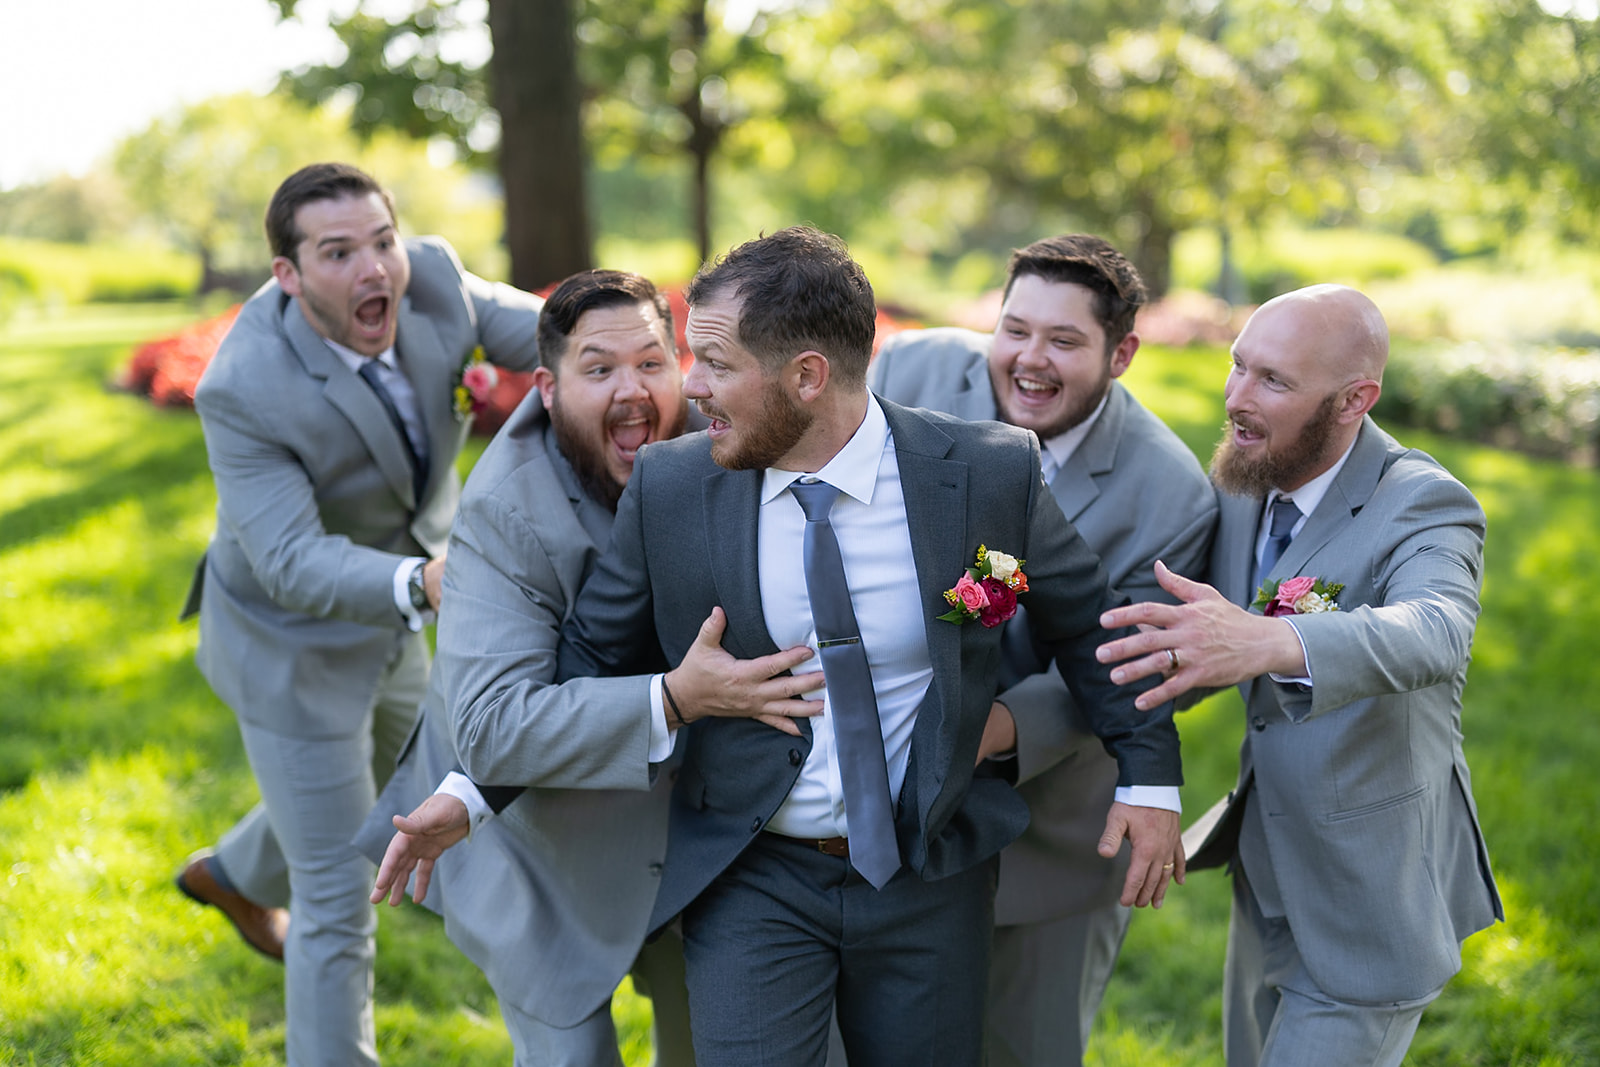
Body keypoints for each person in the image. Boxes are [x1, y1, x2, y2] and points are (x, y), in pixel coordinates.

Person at [549, 226, 1185, 1067]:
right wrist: (673, 696)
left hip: (932, 878)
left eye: (715, 362)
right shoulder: (673, 484)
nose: (689, 386)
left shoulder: (987, 473)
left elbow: (1091, 628)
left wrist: (1151, 780)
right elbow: (585, 660)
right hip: (752, 872)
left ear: (807, 376)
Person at [360, 268, 820, 1065]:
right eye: (598, 369)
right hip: (538, 845)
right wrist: (675, 699)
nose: (633, 390)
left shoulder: (728, 443)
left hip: (703, 831)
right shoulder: (504, 513)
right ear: (546, 387)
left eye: (650, 362)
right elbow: (495, 725)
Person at [174, 161, 543, 1066]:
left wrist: (638, 368)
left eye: (382, 240)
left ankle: (230, 870)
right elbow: (291, 561)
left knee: (383, 800)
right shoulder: (243, 385)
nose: (375, 268)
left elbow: (567, 335)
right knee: (338, 895)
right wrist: (425, 582)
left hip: (402, 611)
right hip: (289, 645)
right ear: (288, 275)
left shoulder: (438, 281)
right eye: (338, 253)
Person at [1095, 284, 1502, 1067]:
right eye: (1237, 366)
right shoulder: (1250, 475)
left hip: (1368, 899)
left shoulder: (1424, 503)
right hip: (1268, 877)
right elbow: (1197, 636)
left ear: (1355, 400)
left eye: (1273, 381)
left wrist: (1272, 641)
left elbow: (1437, 630)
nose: (1237, 398)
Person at [868, 233, 1216, 1066]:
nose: (1030, 360)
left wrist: (985, 728)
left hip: (1049, 828)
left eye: (1064, 341)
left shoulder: (1168, 493)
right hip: (874, 802)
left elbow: (1122, 667)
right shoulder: (905, 373)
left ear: (1122, 352)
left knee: (1021, 1049)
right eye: (1015, 329)